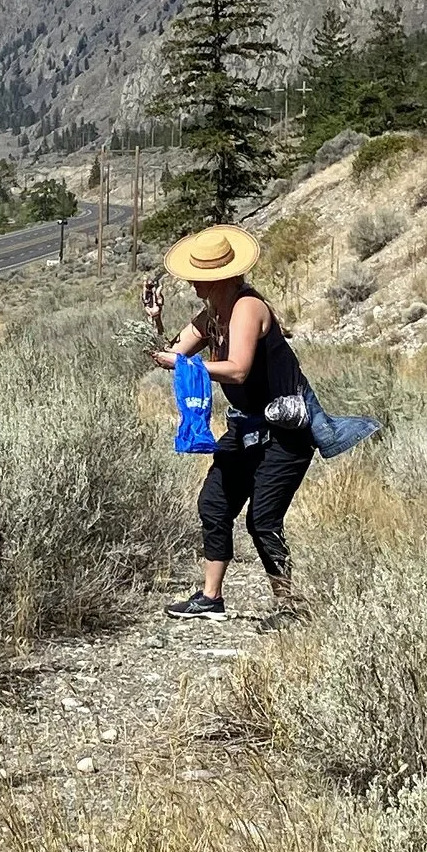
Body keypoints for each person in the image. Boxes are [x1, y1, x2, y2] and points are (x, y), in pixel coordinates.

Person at [153, 221, 314, 618]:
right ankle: (211, 598)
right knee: (215, 503)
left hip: (285, 430)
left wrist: (188, 364)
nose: (193, 284)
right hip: (246, 426)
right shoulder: (212, 314)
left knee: (263, 518)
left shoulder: (247, 307)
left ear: (221, 277)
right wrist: (155, 322)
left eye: (199, 278)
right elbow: (169, 356)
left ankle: (288, 604)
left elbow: (238, 369)